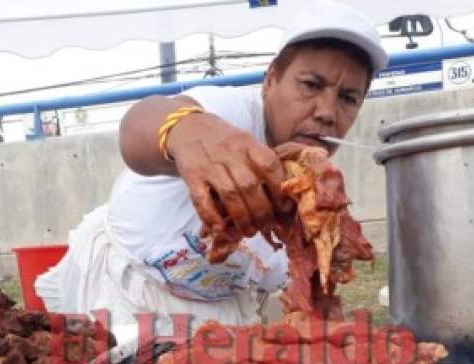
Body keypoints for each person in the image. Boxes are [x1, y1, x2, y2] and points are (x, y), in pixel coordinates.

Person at [37, 0, 386, 335]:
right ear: (270, 80)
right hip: (125, 290)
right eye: (311, 85)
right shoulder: (225, 113)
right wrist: (186, 130)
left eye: (348, 98)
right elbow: (138, 127)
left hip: (218, 314)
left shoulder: (317, 198)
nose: (327, 111)